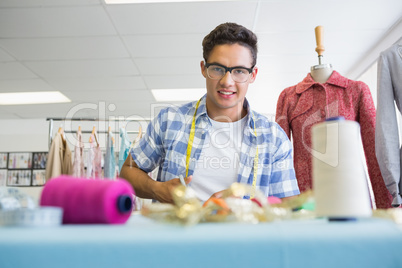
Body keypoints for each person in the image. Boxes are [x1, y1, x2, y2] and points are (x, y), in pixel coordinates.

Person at [120, 22, 300, 204]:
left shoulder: (273, 137)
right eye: (217, 69)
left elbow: (288, 205)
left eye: (239, 71)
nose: (227, 81)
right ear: (203, 69)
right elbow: (128, 171)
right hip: (178, 231)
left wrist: (245, 208)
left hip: (245, 232)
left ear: (252, 75)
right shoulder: (169, 121)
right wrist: (157, 190)